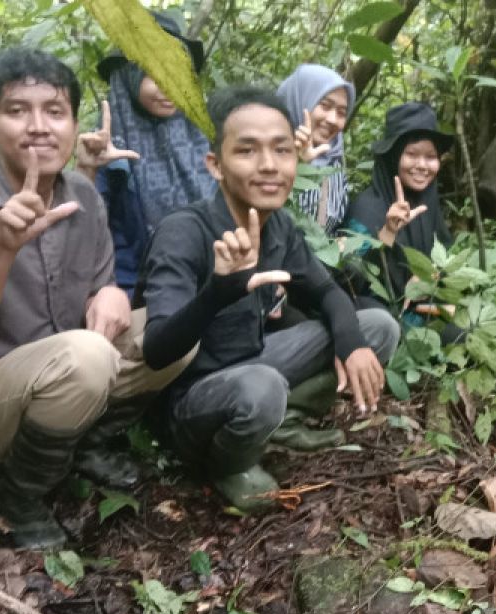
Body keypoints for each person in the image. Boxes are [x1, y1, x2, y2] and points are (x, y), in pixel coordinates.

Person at [0, 48, 189, 549]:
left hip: (61, 377)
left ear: (74, 126)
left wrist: (112, 294)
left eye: (55, 112)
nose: (38, 126)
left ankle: (84, 443)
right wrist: (2, 247)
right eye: (17, 110)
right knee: (86, 356)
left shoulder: (82, 192)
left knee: (179, 333)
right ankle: (20, 493)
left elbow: (102, 285)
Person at [139, 86, 399, 511]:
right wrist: (219, 291)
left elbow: (326, 291)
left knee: (376, 328)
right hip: (191, 400)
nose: (268, 166)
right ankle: (229, 464)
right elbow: (157, 352)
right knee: (263, 387)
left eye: (281, 151)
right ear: (215, 165)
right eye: (247, 152)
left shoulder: (277, 226)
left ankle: (282, 421)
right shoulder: (184, 232)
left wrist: (351, 344)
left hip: (255, 361)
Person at [76, 11, 214, 298]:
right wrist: (87, 170)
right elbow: (83, 229)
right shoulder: (106, 144)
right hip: (131, 288)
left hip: (211, 279)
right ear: (131, 76)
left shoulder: (205, 135)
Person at [342, 101, 463, 345]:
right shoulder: (368, 207)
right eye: (412, 154)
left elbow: (444, 253)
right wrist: (388, 232)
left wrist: (430, 280)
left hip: (423, 305)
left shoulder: (427, 201)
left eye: (431, 157)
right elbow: (350, 279)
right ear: (393, 157)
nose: (422, 165)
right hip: (380, 318)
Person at [277, 64, 354, 235]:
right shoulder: (264, 152)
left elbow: (323, 228)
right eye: (325, 106)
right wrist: (296, 165)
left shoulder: (334, 159)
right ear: (300, 99)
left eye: (341, 113)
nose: (333, 119)